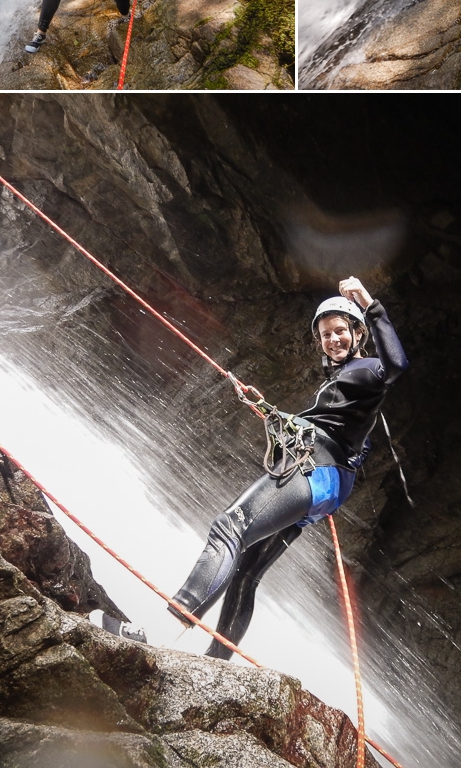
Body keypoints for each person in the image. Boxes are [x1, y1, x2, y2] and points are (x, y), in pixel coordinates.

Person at [160, 276, 409, 659]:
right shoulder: (343, 385)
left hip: (313, 468)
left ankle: (179, 612)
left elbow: (396, 364)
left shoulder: (368, 370)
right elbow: (339, 431)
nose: (333, 340)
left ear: (358, 333)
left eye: (341, 331)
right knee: (246, 570)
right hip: (326, 480)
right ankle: (216, 660)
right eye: (326, 335)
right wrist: (265, 409)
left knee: (231, 527)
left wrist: (369, 303)